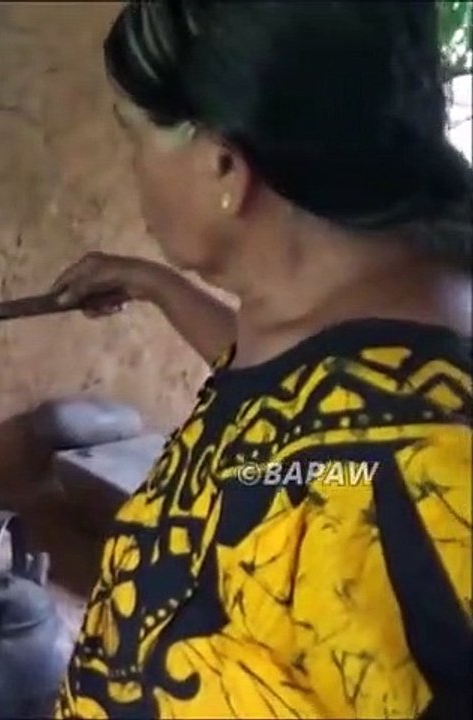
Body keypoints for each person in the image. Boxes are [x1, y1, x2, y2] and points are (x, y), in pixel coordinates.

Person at [48, 1, 472, 718]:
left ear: (222, 165)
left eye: (135, 137)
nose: (133, 169)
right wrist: (159, 287)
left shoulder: (416, 478)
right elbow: (291, 407)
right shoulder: (365, 301)